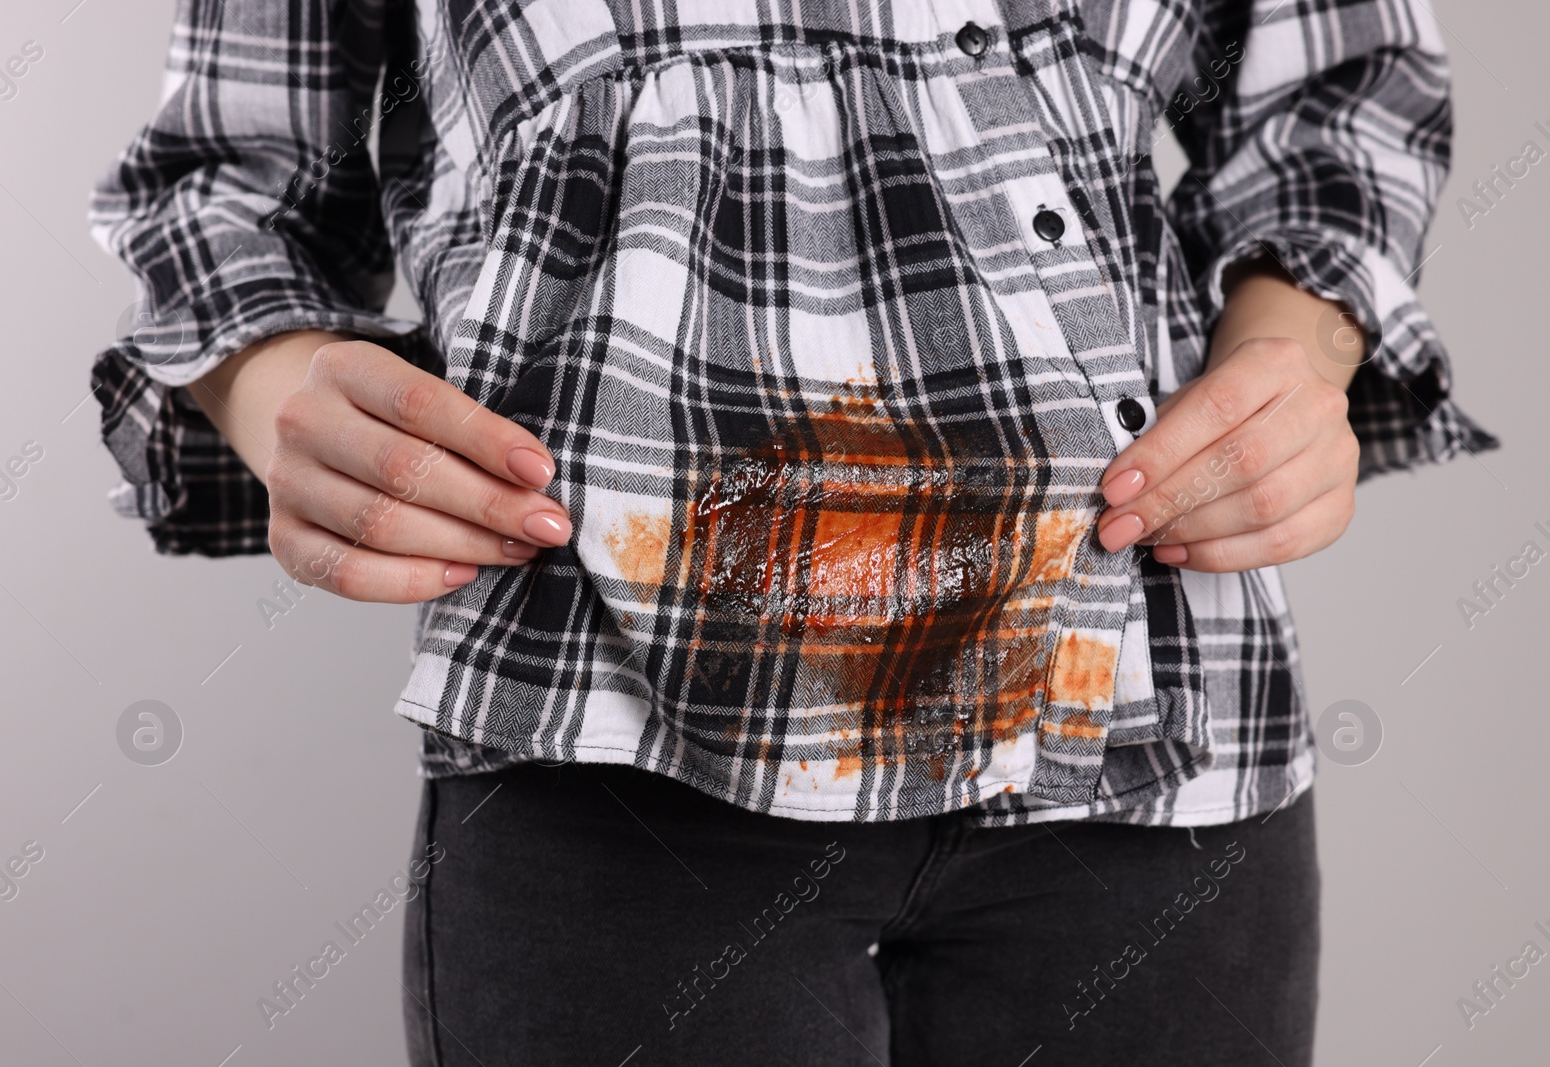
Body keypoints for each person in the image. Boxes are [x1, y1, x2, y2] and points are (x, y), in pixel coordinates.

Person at [87, 0, 1494, 1063]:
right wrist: (277, 398)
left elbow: (1342, 83)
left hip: (1147, 728)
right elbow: (229, 175)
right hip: (606, 737)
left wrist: (1296, 356)